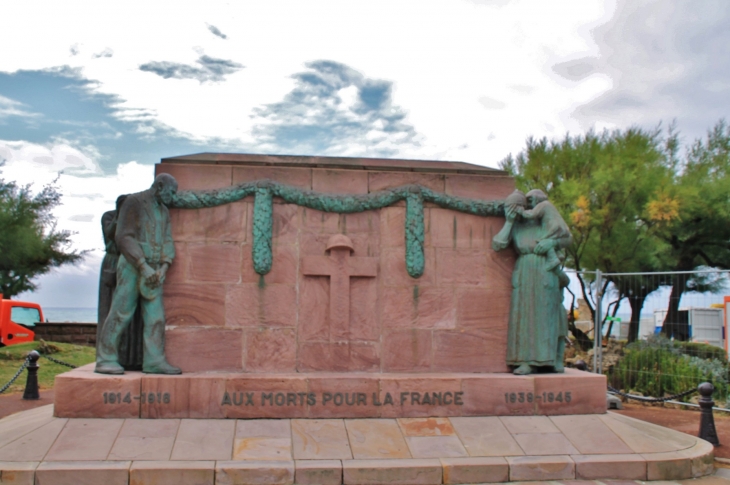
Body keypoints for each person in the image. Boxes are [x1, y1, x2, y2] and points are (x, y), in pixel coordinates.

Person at [95, 174, 181, 375]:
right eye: (171, 192)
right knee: (120, 312)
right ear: (159, 186)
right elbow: (123, 236)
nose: (173, 197)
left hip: (155, 269)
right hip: (133, 266)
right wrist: (143, 266)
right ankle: (105, 359)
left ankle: (154, 361)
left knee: (156, 317)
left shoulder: (164, 211)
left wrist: (163, 267)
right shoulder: (134, 202)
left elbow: (167, 240)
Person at [492, 190, 571, 375]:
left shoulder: (544, 221)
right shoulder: (517, 226)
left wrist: (551, 244)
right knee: (524, 316)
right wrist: (509, 221)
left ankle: (548, 360)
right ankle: (526, 361)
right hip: (525, 271)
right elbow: (498, 244)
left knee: (545, 315)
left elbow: (567, 237)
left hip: (545, 270)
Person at [96, 195, 143, 370]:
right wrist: (121, 216)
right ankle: (108, 356)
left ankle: (131, 358)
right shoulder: (109, 216)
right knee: (111, 310)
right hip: (113, 261)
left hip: (129, 263)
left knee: (132, 313)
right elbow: (112, 235)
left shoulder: (135, 220)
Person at [515, 189, 571, 272]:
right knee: (544, 240)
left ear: (537, 199)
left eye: (530, 201)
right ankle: (557, 255)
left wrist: (521, 211)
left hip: (552, 227)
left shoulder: (544, 205)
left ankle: (553, 258)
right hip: (556, 227)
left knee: (542, 240)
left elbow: (532, 214)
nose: (529, 205)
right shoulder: (548, 206)